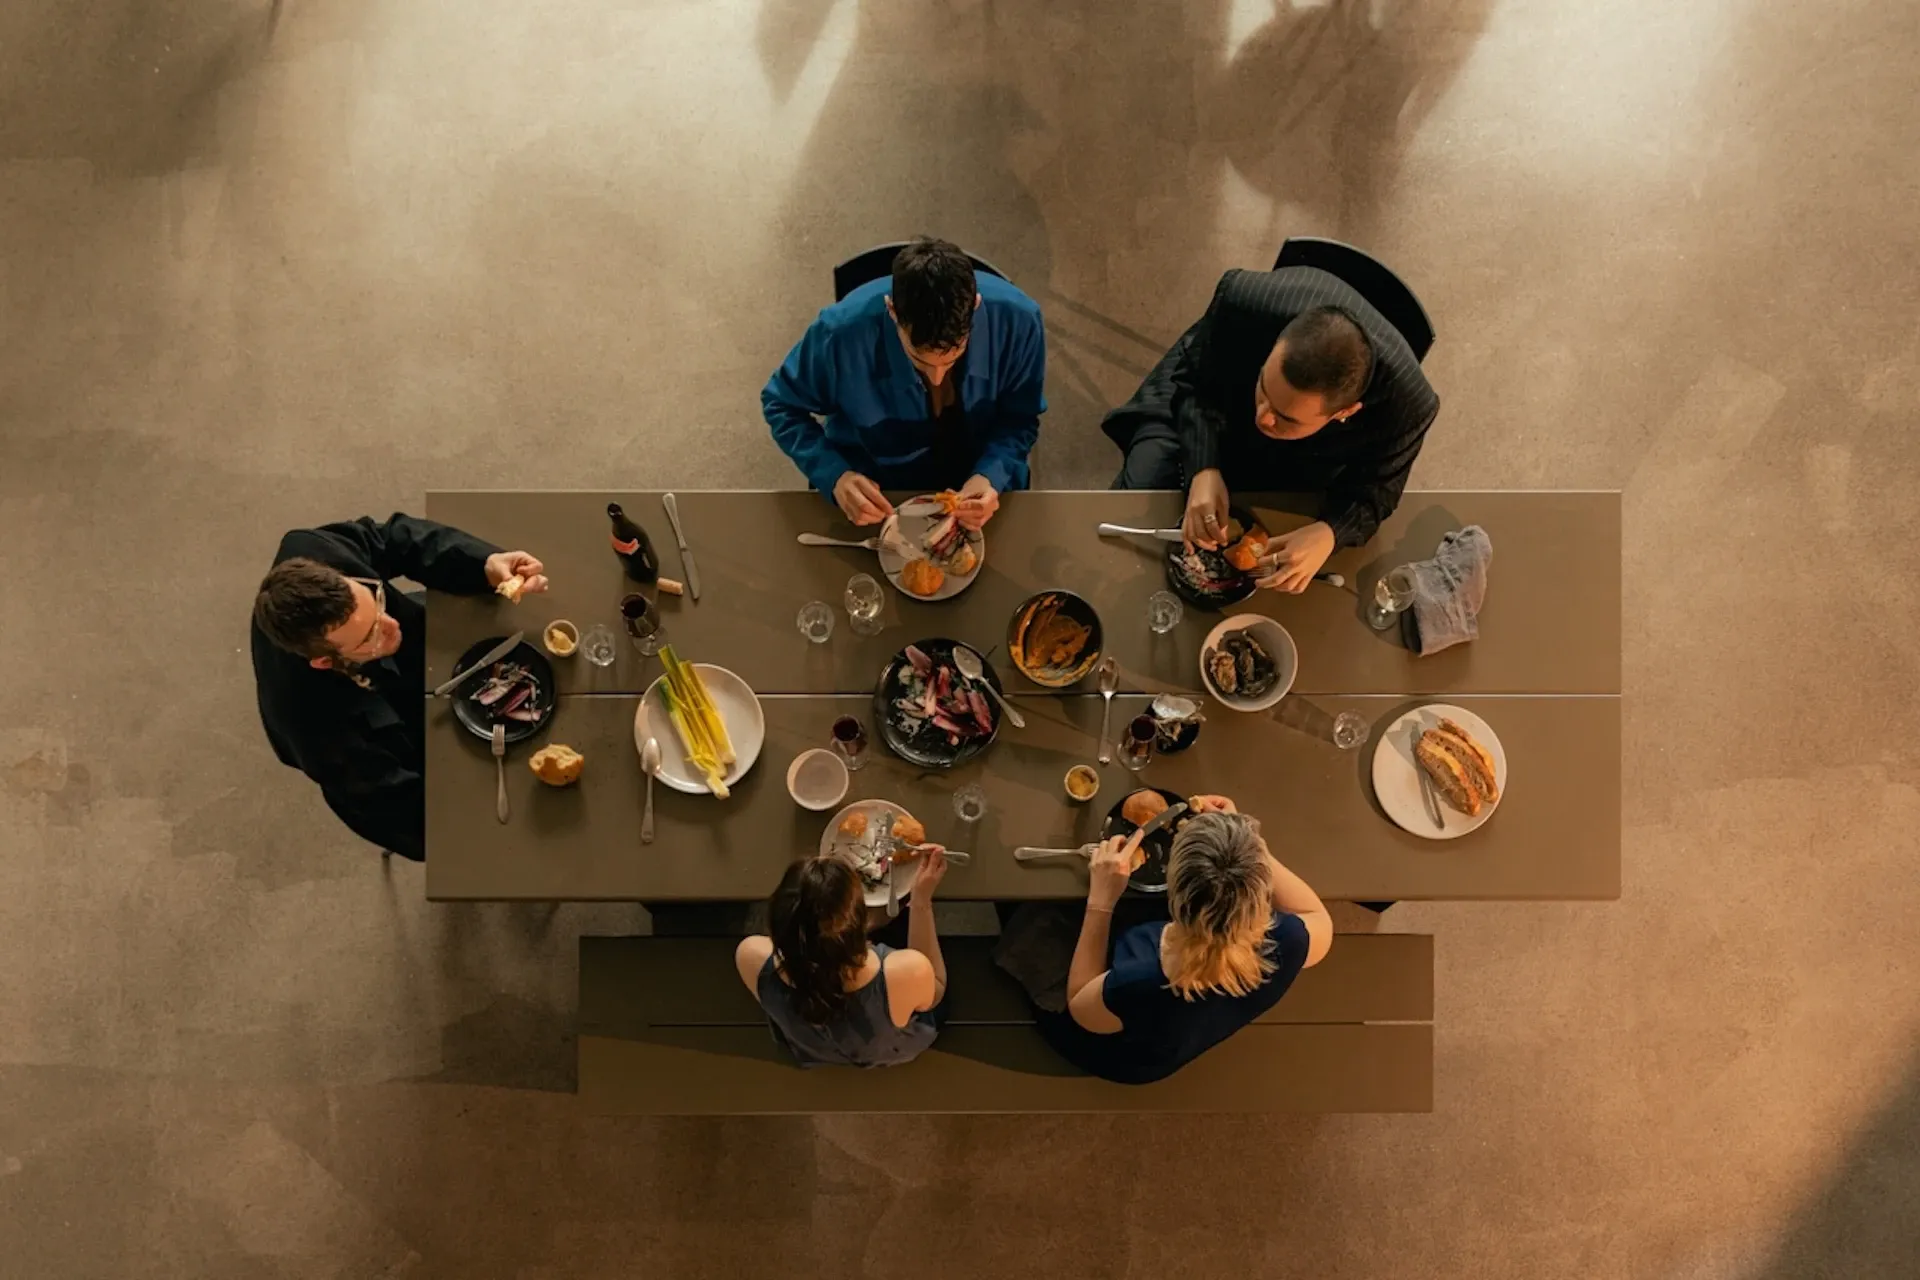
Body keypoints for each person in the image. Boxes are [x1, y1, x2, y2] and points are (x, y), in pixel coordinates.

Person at [1103, 266, 1441, 592]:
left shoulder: (1409, 407)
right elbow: (1194, 380)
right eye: (1264, 388)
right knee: (1132, 504)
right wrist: (1203, 467)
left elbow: (1377, 492)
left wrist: (1329, 533)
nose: (1262, 417)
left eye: (1286, 417)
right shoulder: (1243, 299)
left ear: (1345, 412)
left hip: (1308, 459)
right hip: (1207, 407)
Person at [251, 514, 548, 862]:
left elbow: (395, 540)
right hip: (387, 749)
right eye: (370, 635)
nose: (391, 625)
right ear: (324, 661)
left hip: (411, 663)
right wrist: (482, 829)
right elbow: (391, 801)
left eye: (375, 600)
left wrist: (482, 563)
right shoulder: (312, 726)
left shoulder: (312, 550)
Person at [1037, 797, 1333, 1084]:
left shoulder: (1139, 978)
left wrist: (1101, 902)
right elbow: (1317, 915)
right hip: (1192, 1030)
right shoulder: (1291, 939)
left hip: (1123, 1051)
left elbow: (1079, 1005)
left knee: (1033, 923)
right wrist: (1244, 844)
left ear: (1174, 896)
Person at [763, 236, 1046, 531]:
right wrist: (835, 475)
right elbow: (780, 404)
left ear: (975, 307)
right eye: (919, 361)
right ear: (892, 311)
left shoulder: (1021, 324)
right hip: (876, 486)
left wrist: (991, 475)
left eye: (953, 359)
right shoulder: (839, 336)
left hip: (978, 479)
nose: (937, 378)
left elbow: (1021, 418)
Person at [734, 848, 951, 1068]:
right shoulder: (907, 971)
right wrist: (921, 902)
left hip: (813, 1050)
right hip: (887, 1048)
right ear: (865, 924)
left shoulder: (749, 955)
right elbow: (936, 991)